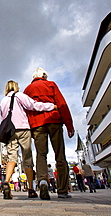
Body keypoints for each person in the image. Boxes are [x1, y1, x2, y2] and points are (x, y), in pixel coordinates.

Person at [24, 67, 75, 199]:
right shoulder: (50, 84)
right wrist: (69, 124)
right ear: (44, 75)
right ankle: (62, 190)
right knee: (60, 155)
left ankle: (42, 181)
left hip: (37, 124)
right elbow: (62, 104)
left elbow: (26, 109)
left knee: (41, 154)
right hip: (54, 121)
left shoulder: (27, 90)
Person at [0, 80, 55, 199]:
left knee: (11, 158)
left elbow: (2, 117)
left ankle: (6, 182)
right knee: (27, 158)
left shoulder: (3, 100)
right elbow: (33, 105)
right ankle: (31, 189)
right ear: (16, 87)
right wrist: (51, 106)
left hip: (9, 131)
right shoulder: (19, 96)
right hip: (23, 129)